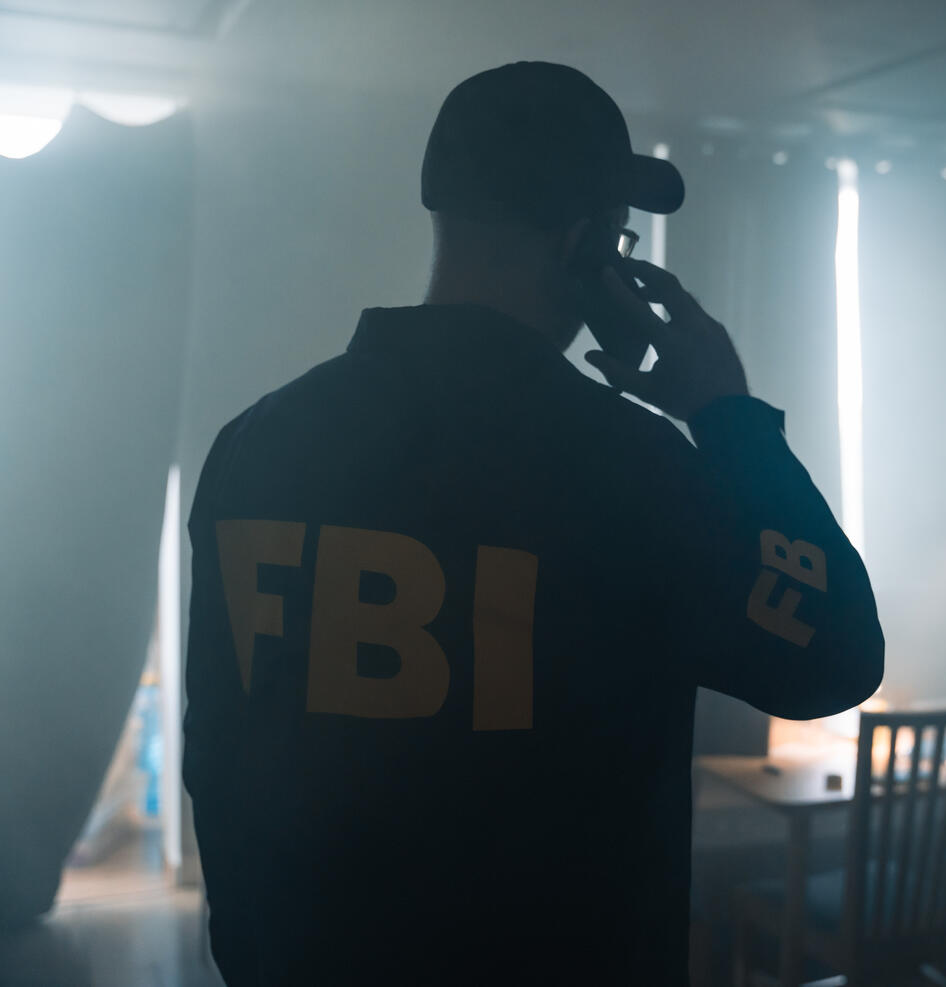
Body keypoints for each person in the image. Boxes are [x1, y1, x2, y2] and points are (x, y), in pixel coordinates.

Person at [183, 62, 884, 986]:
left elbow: (220, 746)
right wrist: (728, 419)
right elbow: (832, 656)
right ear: (590, 242)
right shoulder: (629, 467)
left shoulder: (256, 442)